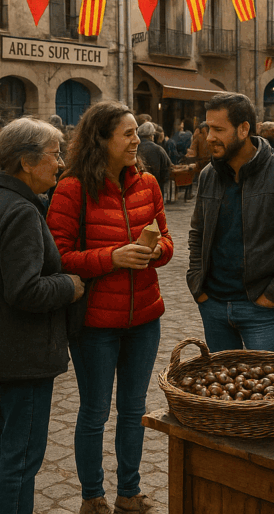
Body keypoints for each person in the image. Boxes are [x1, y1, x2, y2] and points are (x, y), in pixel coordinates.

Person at [47, 101, 174, 514]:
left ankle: (129, 491)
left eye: (137, 132)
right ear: (100, 139)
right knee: (95, 411)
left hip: (144, 318)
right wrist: (112, 257)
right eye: (128, 133)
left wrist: (153, 252)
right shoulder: (71, 188)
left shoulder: (148, 185)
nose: (138, 140)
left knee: (134, 409)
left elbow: (168, 242)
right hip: (96, 323)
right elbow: (58, 257)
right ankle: (92, 496)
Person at [0, 118, 84, 514]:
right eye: (54, 154)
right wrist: (71, 285)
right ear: (27, 162)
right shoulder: (21, 211)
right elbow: (25, 290)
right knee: (20, 457)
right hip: (19, 357)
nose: (60, 163)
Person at [188, 93, 274, 351]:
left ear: (243, 129)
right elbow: (197, 232)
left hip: (261, 310)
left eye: (218, 129)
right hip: (213, 306)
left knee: (266, 389)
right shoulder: (209, 175)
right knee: (224, 388)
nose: (209, 137)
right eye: (208, 128)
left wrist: (273, 296)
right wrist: (197, 285)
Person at [136, 121, 171, 193]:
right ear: (152, 136)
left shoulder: (134, 148)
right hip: (156, 186)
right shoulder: (158, 149)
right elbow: (168, 166)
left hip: (137, 187)